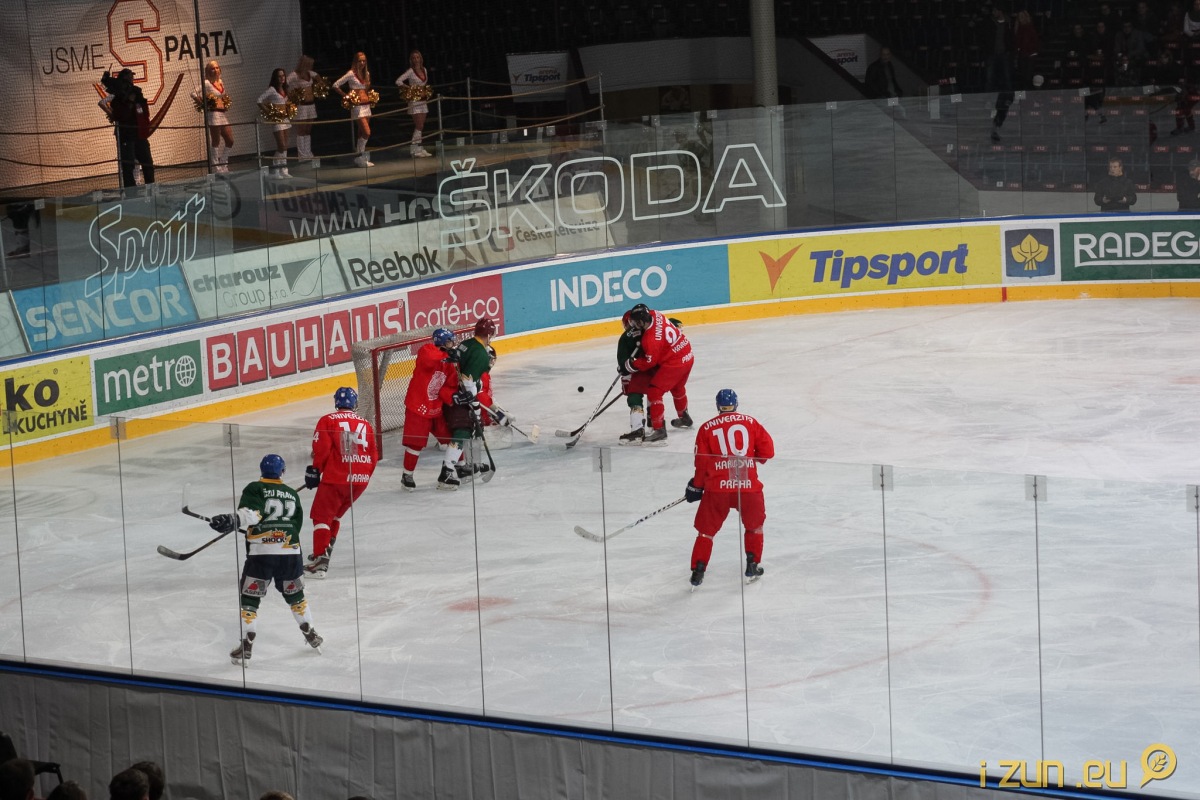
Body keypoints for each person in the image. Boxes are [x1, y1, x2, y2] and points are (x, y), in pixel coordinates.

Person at [208, 454, 323, 664]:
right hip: (290, 552)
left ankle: (246, 643)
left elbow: (252, 514)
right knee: (295, 595)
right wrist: (277, 534)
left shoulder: (255, 488)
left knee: (250, 598)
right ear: (283, 471)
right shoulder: (291, 493)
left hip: (262, 554)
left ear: (261, 470)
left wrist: (234, 519)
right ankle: (310, 632)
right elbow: (295, 525)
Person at [684, 389, 775, 589]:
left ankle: (698, 571)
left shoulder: (706, 428)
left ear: (718, 406)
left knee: (706, 532)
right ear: (736, 404)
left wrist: (696, 486)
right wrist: (752, 457)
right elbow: (767, 452)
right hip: (748, 487)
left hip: (718, 489)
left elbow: (701, 464)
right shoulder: (750, 422)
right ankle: (752, 565)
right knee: (754, 526)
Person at [304, 387, 378, 577]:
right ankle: (325, 550)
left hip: (336, 477)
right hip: (360, 480)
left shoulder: (328, 420)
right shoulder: (366, 423)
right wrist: (362, 476)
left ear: (336, 402)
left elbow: (323, 449)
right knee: (335, 515)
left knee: (321, 517)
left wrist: (316, 470)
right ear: (355, 404)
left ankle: (320, 560)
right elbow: (373, 455)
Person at [439, 318, 498, 489]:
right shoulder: (481, 355)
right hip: (458, 398)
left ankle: (470, 465)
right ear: (489, 334)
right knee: (463, 432)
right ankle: (446, 474)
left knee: (473, 429)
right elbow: (467, 381)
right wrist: (475, 406)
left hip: (455, 394)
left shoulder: (467, 343)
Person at [623, 303, 693, 444]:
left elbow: (649, 362)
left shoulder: (650, 339)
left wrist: (632, 364)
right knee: (677, 387)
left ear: (642, 321)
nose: (634, 325)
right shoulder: (655, 313)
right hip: (687, 355)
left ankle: (659, 430)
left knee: (654, 391)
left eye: (636, 322)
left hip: (675, 363)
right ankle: (684, 416)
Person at [400, 328, 459, 491]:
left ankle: (460, 468)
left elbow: (448, 386)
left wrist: (453, 397)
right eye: (449, 342)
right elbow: (429, 359)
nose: (453, 344)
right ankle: (407, 475)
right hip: (418, 407)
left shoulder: (449, 363)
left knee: (451, 439)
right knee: (415, 444)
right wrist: (446, 356)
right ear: (442, 342)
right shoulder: (427, 350)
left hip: (436, 408)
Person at [99, 68, 155, 190]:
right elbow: (112, 110)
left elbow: (144, 112)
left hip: (139, 134)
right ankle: (131, 192)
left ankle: (151, 188)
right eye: (129, 76)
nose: (132, 79)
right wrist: (127, 104)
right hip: (127, 135)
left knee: (147, 162)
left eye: (132, 76)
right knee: (128, 165)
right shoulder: (118, 98)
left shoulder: (137, 93)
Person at [334, 52, 375, 167]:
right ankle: (360, 156)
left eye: (364, 61)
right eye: (360, 61)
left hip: (366, 105)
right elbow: (335, 85)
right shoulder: (351, 73)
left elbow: (366, 90)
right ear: (355, 62)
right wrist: (346, 96)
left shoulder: (366, 73)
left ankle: (359, 157)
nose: (362, 63)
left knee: (361, 133)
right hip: (357, 107)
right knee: (367, 132)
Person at [394, 49, 433, 158]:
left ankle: (418, 148)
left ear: (420, 58)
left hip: (423, 100)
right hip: (414, 101)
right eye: (414, 58)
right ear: (411, 60)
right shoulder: (410, 71)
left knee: (421, 126)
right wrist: (410, 89)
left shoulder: (424, 70)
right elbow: (398, 81)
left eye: (417, 57)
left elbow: (424, 84)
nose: (416, 59)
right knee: (419, 125)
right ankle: (415, 149)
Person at [616, 311, 647, 444]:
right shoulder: (650, 329)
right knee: (654, 393)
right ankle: (657, 426)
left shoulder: (625, 338)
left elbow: (623, 365)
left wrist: (625, 381)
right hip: (655, 369)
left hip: (637, 371)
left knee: (634, 395)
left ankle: (637, 430)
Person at [257, 68, 293, 177]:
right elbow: (259, 100)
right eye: (279, 76)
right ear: (275, 78)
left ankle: (284, 170)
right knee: (281, 146)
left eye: (283, 75)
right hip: (277, 121)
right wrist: (269, 112)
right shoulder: (272, 89)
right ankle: (276, 169)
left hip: (286, 119)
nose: (282, 78)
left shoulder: (285, 89)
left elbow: (288, 103)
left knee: (285, 147)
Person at [286, 55, 322, 162]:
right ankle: (301, 155)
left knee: (308, 130)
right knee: (301, 130)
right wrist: (290, 95)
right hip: (301, 106)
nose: (311, 66)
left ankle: (308, 153)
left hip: (311, 105)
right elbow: (285, 84)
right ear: (305, 64)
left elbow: (318, 77)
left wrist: (319, 85)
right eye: (310, 64)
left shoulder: (310, 73)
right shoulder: (294, 75)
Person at [200, 60, 233, 173]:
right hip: (213, 114)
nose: (215, 70)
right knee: (216, 141)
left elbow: (223, 96)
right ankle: (215, 166)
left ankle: (224, 163)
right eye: (212, 68)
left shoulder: (221, 82)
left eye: (217, 68)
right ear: (208, 71)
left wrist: (225, 103)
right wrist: (204, 103)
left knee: (230, 140)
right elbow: (193, 93)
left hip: (222, 114)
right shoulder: (206, 83)